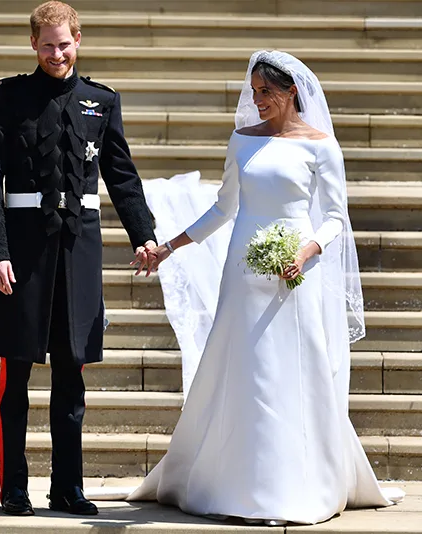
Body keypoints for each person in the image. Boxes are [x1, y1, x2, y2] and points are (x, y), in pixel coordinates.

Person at [126, 50, 404, 526]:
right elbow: (222, 209)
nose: (257, 101)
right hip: (242, 270)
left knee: (293, 368)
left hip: (295, 271)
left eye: (267, 92)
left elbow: (336, 217)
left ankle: (298, 484)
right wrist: (167, 247)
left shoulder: (321, 145)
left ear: (292, 92)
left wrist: (305, 251)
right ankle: (234, 481)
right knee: (244, 368)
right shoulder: (242, 140)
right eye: (254, 92)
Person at [0, 1, 156, 517]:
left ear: (79, 40)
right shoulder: (6, 99)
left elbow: (121, 175)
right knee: (17, 379)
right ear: (34, 44)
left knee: (71, 378)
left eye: (65, 43)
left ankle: (68, 487)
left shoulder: (101, 101)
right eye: (48, 45)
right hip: (21, 257)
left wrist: (143, 234)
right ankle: (13, 489)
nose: (57, 53)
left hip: (79, 253)